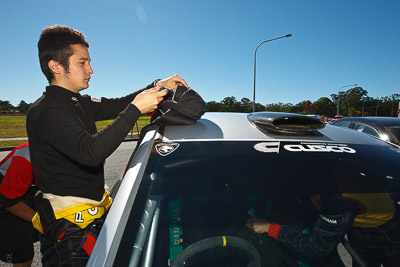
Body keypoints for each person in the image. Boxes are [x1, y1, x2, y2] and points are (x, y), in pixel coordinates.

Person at [26, 25, 188, 266]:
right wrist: (135, 110)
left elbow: (119, 104)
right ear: (56, 66)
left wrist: (158, 85)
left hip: (92, 216)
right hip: (70, 232)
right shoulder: (47, 110)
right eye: (82, 63)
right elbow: (91, 152)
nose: (90, 69)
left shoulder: (78, 102)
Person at [246, 193, 400, 267]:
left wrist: (270, 228)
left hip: (389, 231)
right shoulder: (324, 174)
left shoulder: (340, 197)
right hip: (360, 225)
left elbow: (317, 247)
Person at [0, 142, 39, 267]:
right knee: (23, 257)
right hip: (7, 197)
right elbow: (8, 201)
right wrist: (40, 220)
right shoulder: (27, 156)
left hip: (28, 190)